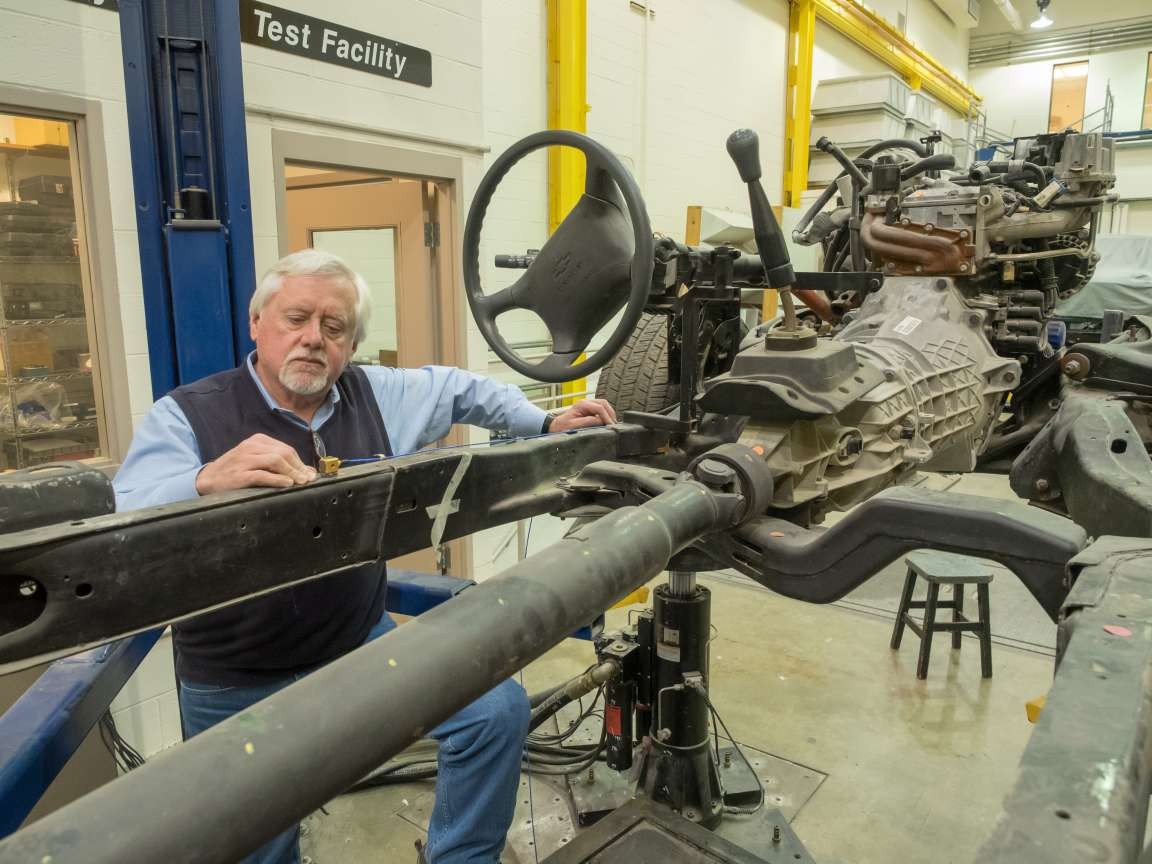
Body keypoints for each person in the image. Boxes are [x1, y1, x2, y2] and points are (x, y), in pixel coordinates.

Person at [113, 249, 618, 864]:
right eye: (295, 318)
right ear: (256, 323)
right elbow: (125, 518)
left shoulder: (377, 395)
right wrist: (200, 482)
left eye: (334, 328)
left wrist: (543, 423)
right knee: (259, 845)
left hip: (359, 646)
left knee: (492, 711)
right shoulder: (187, 416)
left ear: (351, 344)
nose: (312, 340)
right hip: (236, 680)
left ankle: (459, 857)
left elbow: (461, 390)